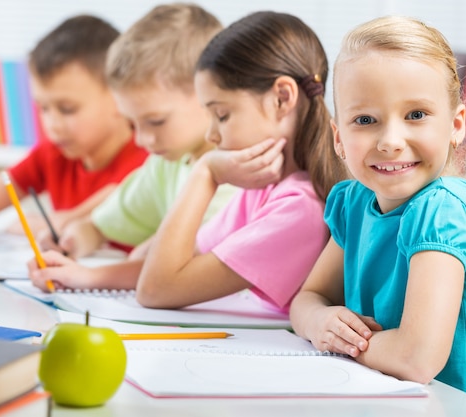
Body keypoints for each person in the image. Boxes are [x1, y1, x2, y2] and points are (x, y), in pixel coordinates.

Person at [289, 16, 466, 413]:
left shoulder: (444, 210)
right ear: (339, 137)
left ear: (455, 125)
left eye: (416, 114)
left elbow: (416, 358)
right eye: (365, 120)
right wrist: (319, 323)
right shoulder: (354, 202)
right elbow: (308, 298)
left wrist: (345, 345)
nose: (391, 141)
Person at [133, 11, 346, 312]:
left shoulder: (300, 209)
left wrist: (205, 173)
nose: (211, 134)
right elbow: (176, 259)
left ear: (282, 98)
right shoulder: (264, 187)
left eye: (222, 115)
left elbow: (156, 290)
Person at [28, 3, 238, 290]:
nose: (140, 139)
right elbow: (99, 226)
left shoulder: (239, 170)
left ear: (209, 92)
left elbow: (174, 266)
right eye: (132, 122)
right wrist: (72, 241)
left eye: (155, 121)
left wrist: (89, 277)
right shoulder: (167, 163)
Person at [0, 15, 148, 243]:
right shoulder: (52, 155)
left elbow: (100, 207)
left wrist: (50, 222)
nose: (52, 124)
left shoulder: (151, 157)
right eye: (43, 108)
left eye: (67, 109)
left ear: (119, 97)